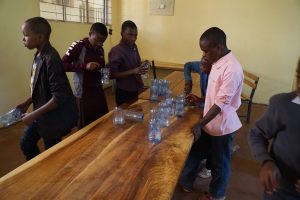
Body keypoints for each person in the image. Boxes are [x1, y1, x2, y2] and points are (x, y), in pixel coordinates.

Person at [179, 27, 244, 200]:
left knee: (219, 165)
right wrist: (201, 101)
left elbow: (221, 104)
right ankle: (185, 182)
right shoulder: (217, 61)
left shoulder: (232, 69)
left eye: (206, 51)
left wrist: (199, 123)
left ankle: (217, 195)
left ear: (219, 47)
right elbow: (214, 94)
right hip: (209, 122)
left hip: (222, 127)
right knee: (195, 152)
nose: (204, 55)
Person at [17, 17, 78, 160]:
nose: (23, 39)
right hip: (41, 114)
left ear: (40, 37)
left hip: (52, 119)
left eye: (26, 35)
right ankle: (39, 167)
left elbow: (59, 96)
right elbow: (40, 87)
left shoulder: (52, 59)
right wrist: (27, 102)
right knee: (26, 144)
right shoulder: (39, 55)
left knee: (52, 155)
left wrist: (33, 115)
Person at [248, 59, 300, 200]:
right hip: (281, 190)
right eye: (299, 76)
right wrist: (266, 161)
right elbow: (257, 134)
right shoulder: (282, 105)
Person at [62, 23, 109, 128]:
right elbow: (62, 65)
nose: (99, 44)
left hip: (98, 92)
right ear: (90, 34)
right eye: (97, 40)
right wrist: (84, 66)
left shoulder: (100, 49)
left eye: (102, 42)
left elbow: (101, 66)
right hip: (83, 94)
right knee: (86, 128)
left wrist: (105, 70)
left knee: (102, 123)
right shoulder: (78, 46)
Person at [106, 20, 148, 106]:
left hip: (136, 87)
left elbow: (137, 64)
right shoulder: (116, 51)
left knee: (136, 113)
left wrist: (144, 64)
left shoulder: (134, 46)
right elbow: (112, 75)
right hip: (124, 91)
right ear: (122, 33)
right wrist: (133, 71)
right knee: (125, 116)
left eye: (135, 35)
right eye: (130, 35)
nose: (133, 38)